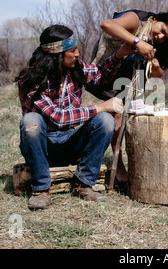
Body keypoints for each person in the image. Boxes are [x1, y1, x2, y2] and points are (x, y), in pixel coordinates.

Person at [15, 24, 127, 210]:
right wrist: (101, 106)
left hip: (70, 142)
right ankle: (41, 189)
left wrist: (120, 54)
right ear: (57, 54)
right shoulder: (30, 80)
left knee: (105, 120)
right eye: (72, 50)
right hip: (43, 146)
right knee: (31, 121)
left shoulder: (75, 69)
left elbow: (100, 74)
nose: (77, 54)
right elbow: (58, 118)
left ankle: (83, 183)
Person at [86, 9, 168, 183]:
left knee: (126, 118)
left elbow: (158, 74)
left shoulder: (158, 44)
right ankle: (118, 167)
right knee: (117, 116)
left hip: (129, 81)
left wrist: (155, 67)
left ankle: (130, 164)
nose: (161, 37)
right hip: (106, 70)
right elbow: (106, 24)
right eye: (161, 30)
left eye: (166, 37)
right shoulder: (135, 20)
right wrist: (137, 41)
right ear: (156, 19)